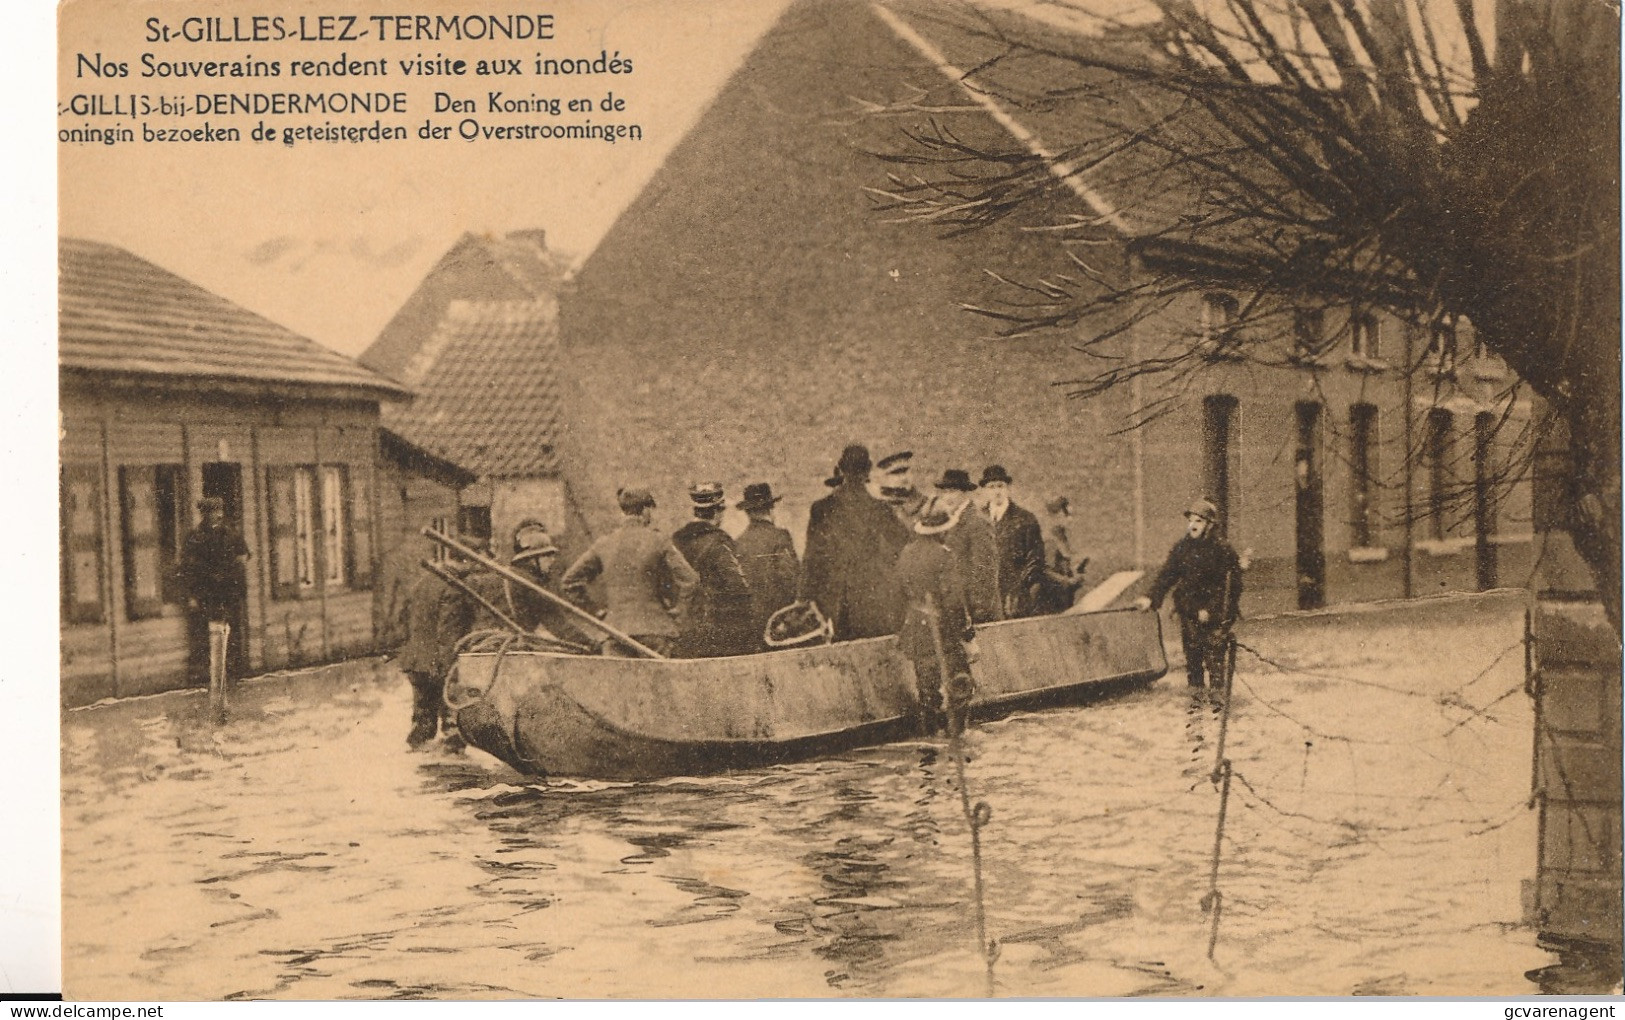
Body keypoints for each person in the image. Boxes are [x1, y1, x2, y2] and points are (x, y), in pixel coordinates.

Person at [561, 487, 699, 657]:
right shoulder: (658, 540)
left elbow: (569, 581)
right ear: (646, 510)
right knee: (657, 683)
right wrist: (679, 611)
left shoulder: (604, 543)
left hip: (614, 631)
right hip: (654, 630)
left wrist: (596, 611)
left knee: (620, 683)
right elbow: (690, 579)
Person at [802, 444, 911, 640]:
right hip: (875, 599)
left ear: (841, 469)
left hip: (837, 603)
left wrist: (803, 601)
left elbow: (811, 561)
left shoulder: (822, 508)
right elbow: (904, 548)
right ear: (868, 470)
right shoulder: (880, 508)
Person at [1134, 498, 1244, 689]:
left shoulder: (1222, 550)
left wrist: (1211, 611)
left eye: (1199, 521)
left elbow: (1231, 588)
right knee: (1193, 660)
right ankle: (1196, 704)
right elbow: (1167, 575)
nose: (1192, 525)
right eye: (1191, 520)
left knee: (1214, 661)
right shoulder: (1182, 548)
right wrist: (1150, 598)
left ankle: (1218, 707)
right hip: (1190, 612)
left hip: (1215, 616)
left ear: (1210, 525)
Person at [895, 504, 976, 736]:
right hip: (943, 632)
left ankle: (930, 740)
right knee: (960, 686)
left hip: (917, 632)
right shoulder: (944, 556)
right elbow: (953, 603)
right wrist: (967, 637)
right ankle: (957, 737)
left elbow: (898, 594)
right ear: (942, 531)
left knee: (927, 691)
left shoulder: (906, 554)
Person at [398, 548, 478, 748]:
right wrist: (449, 670)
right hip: (439, 665)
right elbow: (448, 633)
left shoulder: (422, 582)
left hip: (416, 663)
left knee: (422, 725)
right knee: (453, 730)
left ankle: (420, 768)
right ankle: (452, 773)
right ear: (464, 562)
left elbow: (403, 620)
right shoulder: (453, 588)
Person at [671, 482, 756, 657]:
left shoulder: (676, 541)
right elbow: (738, 587)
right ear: (718, 511)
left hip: (683, 627)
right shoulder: (720, 542)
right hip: (715, 630)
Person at [178, 496, 249, 685]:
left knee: (230, 630)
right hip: (205, 592)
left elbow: (243, 556)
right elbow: (187, 568)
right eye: (210, 512)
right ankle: (206, 674)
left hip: (228, 592)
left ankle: (232, 671)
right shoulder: (195, 537)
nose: (215, 516)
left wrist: (234, 577)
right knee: (204, 633)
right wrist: (192, 595)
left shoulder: (231, 534)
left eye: (218, 511)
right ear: (204, 514)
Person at [733, 482, 800, 651]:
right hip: (778, 623)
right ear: (771, 509)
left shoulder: (737, 543)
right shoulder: (780, 537)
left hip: (749, 625)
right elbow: (790, 579)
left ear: (748, 512)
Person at [931, 469, 1002, 624]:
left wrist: (979, 610)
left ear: (966, 493)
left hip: (979, 613)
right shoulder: (950, 521)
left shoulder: (977, 522)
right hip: (960, 610)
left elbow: (985, 569)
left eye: (953, 491)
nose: (948, 497)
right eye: (945, 492)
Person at [979, 465, 1045, 618]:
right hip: (988, 598)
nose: (997, 491)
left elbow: (1035, 560)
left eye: (1000, 486)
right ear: (984, 490)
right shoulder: (978, 519)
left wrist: (1022, 591)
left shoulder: (1025, 519)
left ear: (1007, 488)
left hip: (1017, 596)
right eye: (991, 487)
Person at [1034, 495, 1088, 614]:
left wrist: (1076, 575)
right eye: (1067, 515)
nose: (1070, 519)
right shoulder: (1049, 541)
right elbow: (1044, 571)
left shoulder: (1063, 539)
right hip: (1049, 600)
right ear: (1056, 516)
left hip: (1063, 598)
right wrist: (1068, 581)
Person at [876, 450, 928, 529]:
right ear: (884, 478)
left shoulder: (925, 503)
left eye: (906, 471)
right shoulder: (879, 507)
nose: (904, 477)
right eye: (896, 473)